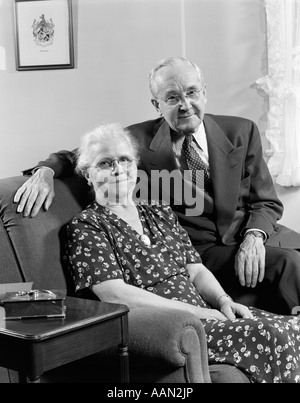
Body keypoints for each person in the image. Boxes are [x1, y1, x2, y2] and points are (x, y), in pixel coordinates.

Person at [15, 56, 300, 315]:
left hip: (250, 235)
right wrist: (45, 171)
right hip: (200, 252)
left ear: (204, 92)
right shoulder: (136, 140)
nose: (185, 105)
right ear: (157, 105)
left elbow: (266, 201)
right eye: (172, 97)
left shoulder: (241, 131)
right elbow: (81, 156)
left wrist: (254, 237)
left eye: (191, 92)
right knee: (289, 265)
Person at [64, 122, 300, 384]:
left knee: (294, 326)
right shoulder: (87, 225)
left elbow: (195, 269)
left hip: (206, 314)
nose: (119, 169)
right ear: (87, 174)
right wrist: (198, 313)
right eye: (105, 163)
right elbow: (115, 294)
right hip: (172, 328)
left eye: (124, 160)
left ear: (135, 165)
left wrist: (223, 301)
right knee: (272, 335)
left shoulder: (158, 211)